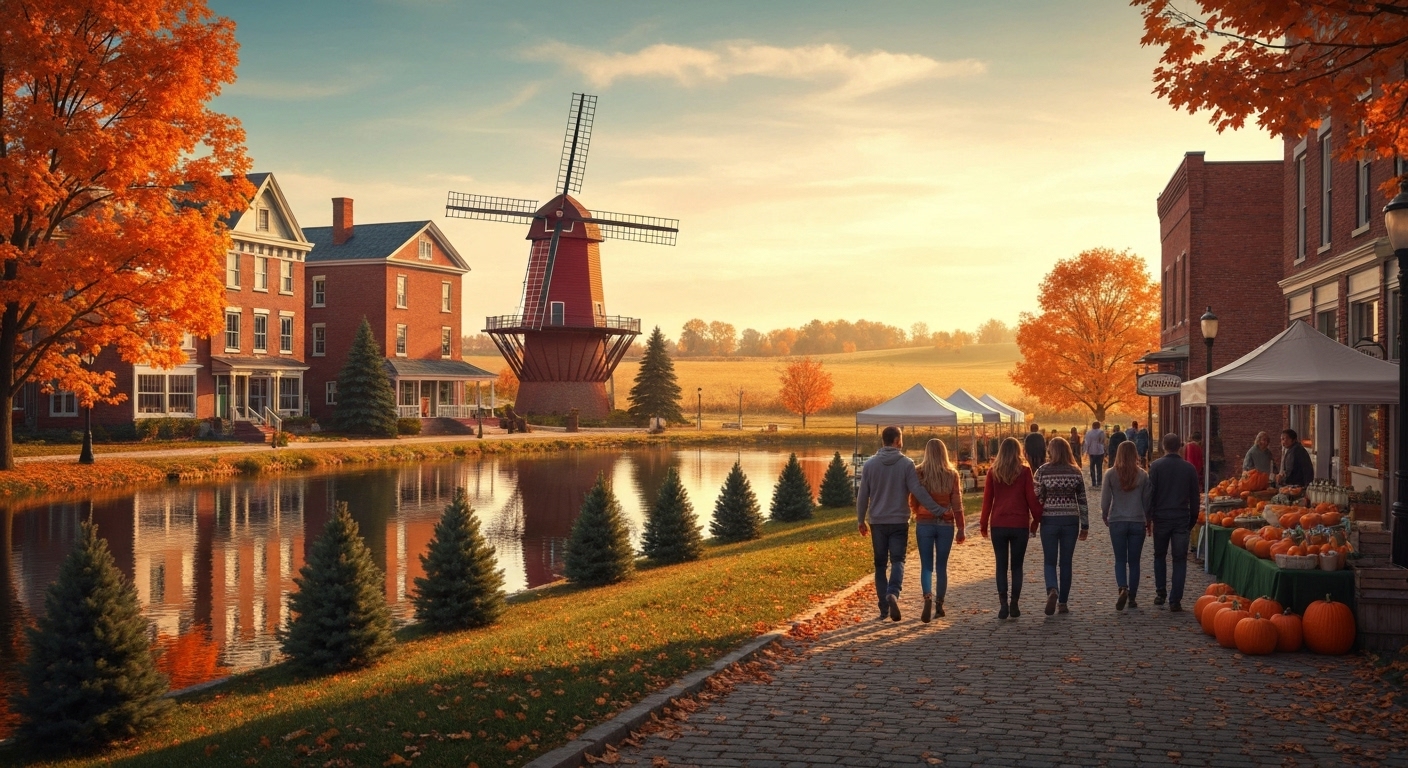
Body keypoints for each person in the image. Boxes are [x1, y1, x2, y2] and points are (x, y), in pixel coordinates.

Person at [857, 426, 947, 622]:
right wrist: (937, 509)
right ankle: (893, 593)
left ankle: (883, 608)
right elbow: (918, 491)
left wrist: (860, 519)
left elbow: (863, 495)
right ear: (897, 441)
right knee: (898, 561)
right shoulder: (906, 464)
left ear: (883, 441)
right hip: (899, 521)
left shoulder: (870, 465)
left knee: (880, 564)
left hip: (878, 521)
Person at [980, 437, 1042, 620]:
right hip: (1019, 524)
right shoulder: (1024, 471)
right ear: (1018, 452)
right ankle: (1014, 603)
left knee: (1001, 565)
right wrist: (1036, 519)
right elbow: (1031, 498)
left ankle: (1003, 605)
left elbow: (987, 501)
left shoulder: (993, 472)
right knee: (1016, 566)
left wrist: (983, 524)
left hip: (998, 523)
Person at [909, 438, 966, 623]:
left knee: (926, 565)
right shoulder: (952, 474)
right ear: (944, 453)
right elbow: (957, 503)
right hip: (946, 525)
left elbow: (914, 498)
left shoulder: (918, 472)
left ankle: (927, 597)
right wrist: (961, 527)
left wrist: (916, 511)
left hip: (924, 523)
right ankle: (939, 605)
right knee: (941, 567)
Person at [1033, 437, 1088, 615]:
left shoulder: (1042, 471)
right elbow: (1082, 500)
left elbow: (1037, 498)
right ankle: (1063, 602)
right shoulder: (1075, 472)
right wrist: (1085, 525)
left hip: (1049, 520)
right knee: (1066, 563)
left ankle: (1052, 589)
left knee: (1049, 561)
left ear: (1051, 451)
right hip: (1070, 520)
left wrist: (1034, 519)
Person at [1147, 432, 1201, 611]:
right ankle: (1175, 599)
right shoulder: (1189, 469)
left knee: (1159, 556)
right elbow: (1195, 497)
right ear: (1180, 447)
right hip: (1181, 518)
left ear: (1163, 446)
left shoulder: (1155, 467)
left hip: (1161, 518)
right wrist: (1192, 518)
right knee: (1179, 559)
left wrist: (1149, 517)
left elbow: (1151, 494)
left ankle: (1160, 591)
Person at [1102, 441, 1152, 611]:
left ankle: (1122, 587)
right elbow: (1147, 500)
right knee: (1135, 561)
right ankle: (1132, 597)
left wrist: (1104, 513)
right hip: (1137, 520)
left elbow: (1105, 499)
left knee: (1120, 559)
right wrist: (1148, 519)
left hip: (1117, 520)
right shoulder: (1143, 475)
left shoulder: (1110, 474)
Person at [1082, 421, 1107, 487]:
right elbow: (1102, 441)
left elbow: (1087, 443)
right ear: (1098, 426)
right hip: (1099, 451)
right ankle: (1099, 482)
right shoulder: (1101, 432)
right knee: (1099, 467)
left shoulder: (1089, 433)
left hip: (1091, 451)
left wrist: (1086, 451)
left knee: (1092, 467)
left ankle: (1093, 482)